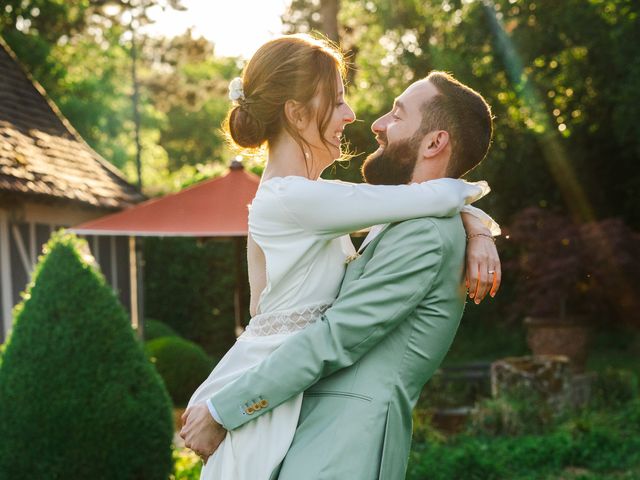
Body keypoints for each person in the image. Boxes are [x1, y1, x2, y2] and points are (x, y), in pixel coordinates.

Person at [180, 34, 500, 480]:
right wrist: (475, 220)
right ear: (296, 112)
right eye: (338, 102)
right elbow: (425, 200)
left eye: (397, 114)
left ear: (434, 143)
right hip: (287, 412)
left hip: (343, 446)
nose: (368, 120)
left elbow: (334, 337)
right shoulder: (305, 201)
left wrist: (475, 223)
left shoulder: (421, 233)